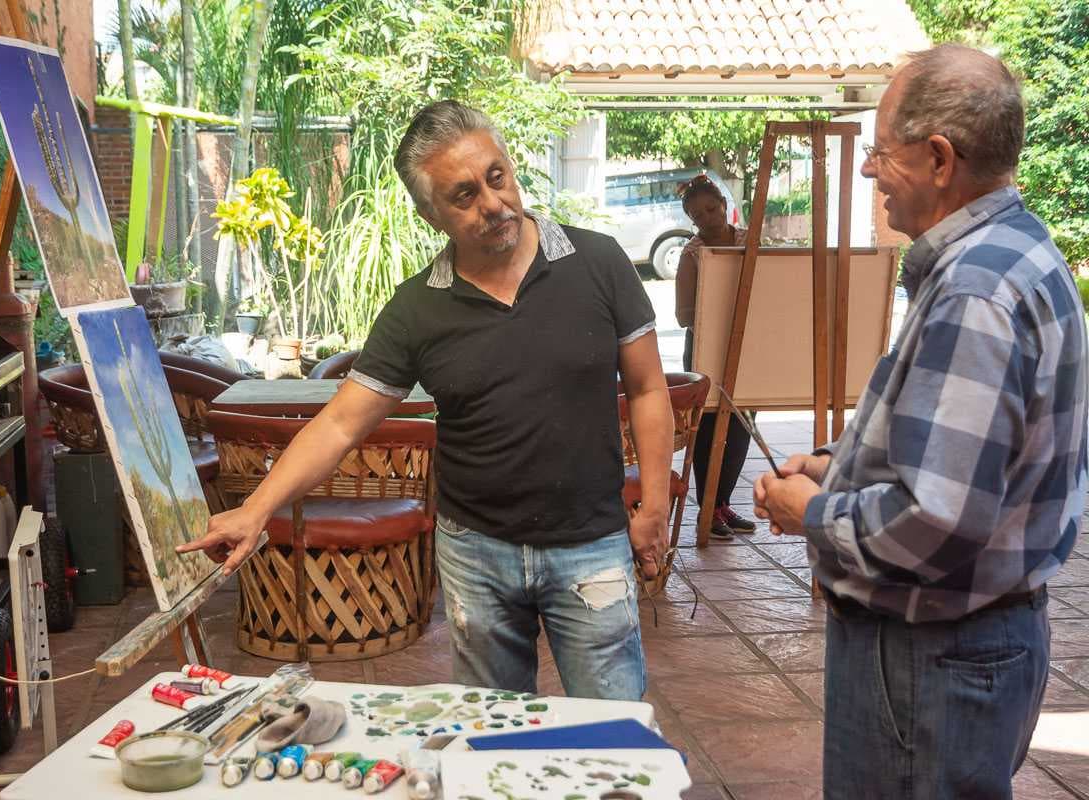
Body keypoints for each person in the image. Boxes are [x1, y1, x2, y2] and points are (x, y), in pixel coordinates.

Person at [180, 100, 674, 701]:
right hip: (477, 554)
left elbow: (648, 389)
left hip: (590, 542)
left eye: (498, 177)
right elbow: (338, 425)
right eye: (463, 196)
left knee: (613, 731)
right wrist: (255, 509)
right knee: (493, 728)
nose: (493, 204)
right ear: (429, 214)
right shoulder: (416, 309)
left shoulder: (599, 263)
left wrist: (653, 504)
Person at [753, 44, 1088, 798]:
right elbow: (963, 451)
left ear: (939, 159)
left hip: (930, 659)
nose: (869, 171)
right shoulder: (1022, 251)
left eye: (879, 151)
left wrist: (814, 511)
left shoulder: (974, 290)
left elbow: (935, 519)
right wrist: (837, 463)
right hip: (972, 646)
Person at [674, 174, 757, 540]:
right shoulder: (692, 254)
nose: (706, 218)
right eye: (696, 215)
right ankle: (707, 511)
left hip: (748, 347)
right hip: (706, 348)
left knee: (742, 426)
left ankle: (721, 504)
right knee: (707, 428)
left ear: (724, 205)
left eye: (710, 209)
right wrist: (718, 313)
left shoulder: (750, 243)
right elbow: (682, 315)